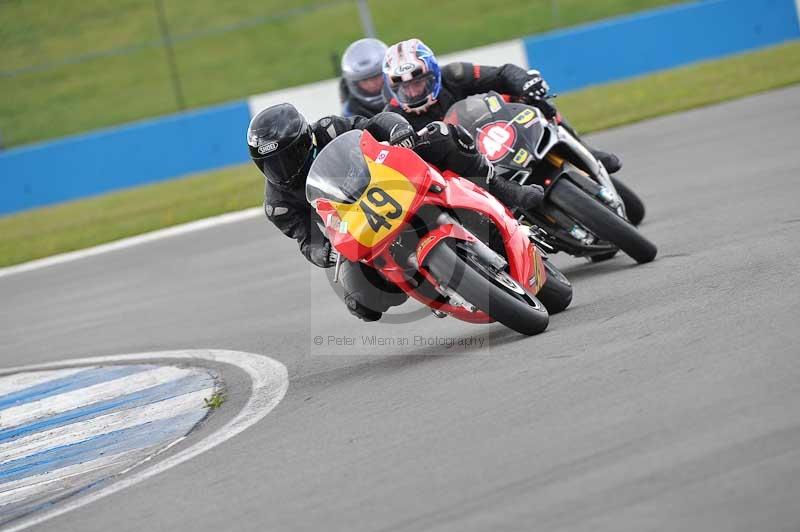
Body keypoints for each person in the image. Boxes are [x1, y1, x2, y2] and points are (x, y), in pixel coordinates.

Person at [247, 103, 544, 321]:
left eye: (287, 158)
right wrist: (323, 252)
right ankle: (425, 283)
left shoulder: (329, 129)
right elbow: (305, 238)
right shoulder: (279, 205)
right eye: (271, 163)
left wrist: (396, 129)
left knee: (440, 135)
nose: (281, 170)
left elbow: (373, 124)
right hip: (359, 224)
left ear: (304, 141)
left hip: (388, 179)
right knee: (361, 303)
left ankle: (504, 190)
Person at [382, 38, 622, 173]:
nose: (412, 91)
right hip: (463, 169)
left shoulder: (455, 74)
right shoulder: (391, 116)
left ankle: (586, 151)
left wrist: (525, 81)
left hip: (495, 133)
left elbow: (503, 73)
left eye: (419, 82)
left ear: (433, 74)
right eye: (405, 87)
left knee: (530, 97)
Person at [339, 38, 389, 118]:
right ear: (354, 84)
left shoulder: (408, 92)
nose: (372, 84)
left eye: (376, 77)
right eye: (365, 80)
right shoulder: (350, 113)